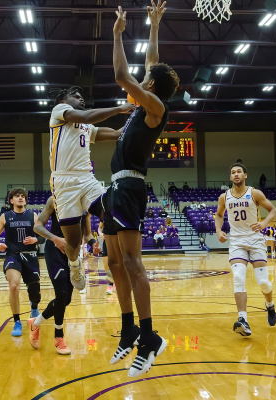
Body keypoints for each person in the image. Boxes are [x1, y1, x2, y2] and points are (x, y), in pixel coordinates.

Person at [103, 1, 179, 378]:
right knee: (113, 262)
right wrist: (152, 25)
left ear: (151, 86)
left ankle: (150, 337)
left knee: (133, 263)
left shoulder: (155, 107)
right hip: (113, 188)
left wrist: (117, 33)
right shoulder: (145, 100)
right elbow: (153, 59)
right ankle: (129, 326)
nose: (144, 75)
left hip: (130, 186)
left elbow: (121, 74)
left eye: (148, 77)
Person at [48, 86, 133, 292]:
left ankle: (113, 263)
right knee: (74, 242)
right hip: (63, 182)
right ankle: (74, 264)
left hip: (87, 178)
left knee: (111, 213)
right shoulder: (59, 111)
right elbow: (86, 116)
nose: (81, 99)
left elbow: (116, 133)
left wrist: (136, 118)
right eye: (76, 96)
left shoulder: (86, 126)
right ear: (64, 99)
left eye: (82, 96)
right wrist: (119, 109)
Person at [215, 163, 276, 337]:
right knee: (238, 277)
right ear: (230, 177)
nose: (236, 174)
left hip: (256, 241)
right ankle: (242, 319)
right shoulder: (224, 197)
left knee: (263, 283)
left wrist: (263, 223)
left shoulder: (255, 193)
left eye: (239, 172)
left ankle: (270, 305)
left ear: (245, 175)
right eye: (233, 172)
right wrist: (219, 230)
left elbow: (274, 211)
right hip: (237, 242)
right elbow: (219, 215)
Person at [28, 196, 78, 355]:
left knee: (66, 299)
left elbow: (88, 231)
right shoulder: (54, 200)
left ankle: (35, 323)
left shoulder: (84, 198)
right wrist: (54, 238)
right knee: (62, 294)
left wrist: (92, 244)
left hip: (73, 252)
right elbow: (37, 226)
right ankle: (59, 338)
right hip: (54, 249)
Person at [0, 188, 41, 337]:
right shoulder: (5, 217)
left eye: (22, 196)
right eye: (17, 196)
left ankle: (34, 307)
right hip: (13, 255)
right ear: (11, 200)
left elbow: (43, 236)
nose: (20, 198)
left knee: (35, 293)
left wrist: (35, 239)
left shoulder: (34, 216)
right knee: (13, 286)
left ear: (26, 200)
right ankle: (17, 321)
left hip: (30, 255)